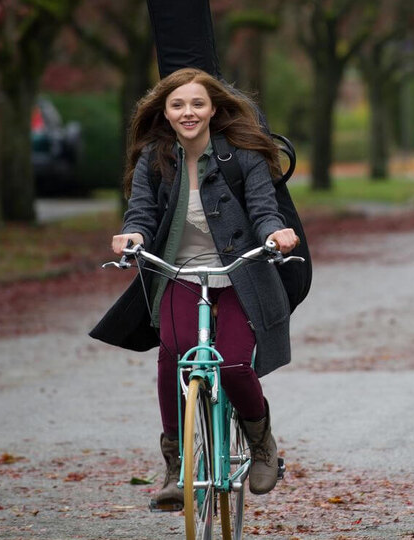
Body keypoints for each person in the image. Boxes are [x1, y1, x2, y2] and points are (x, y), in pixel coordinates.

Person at [108, 67, 299, 510]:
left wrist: (275, 235)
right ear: (166, 112)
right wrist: (132, 237)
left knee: (232, 364)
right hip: (181, 274)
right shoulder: (154, 160)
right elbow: (140, 214)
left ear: (213, 108)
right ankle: (177, 469)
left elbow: (263, 209)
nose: (188, 112)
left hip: (239, 272)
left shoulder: (243, 156)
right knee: (173, 356)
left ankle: (261, 441)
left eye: (197, 103)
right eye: (178, 105)